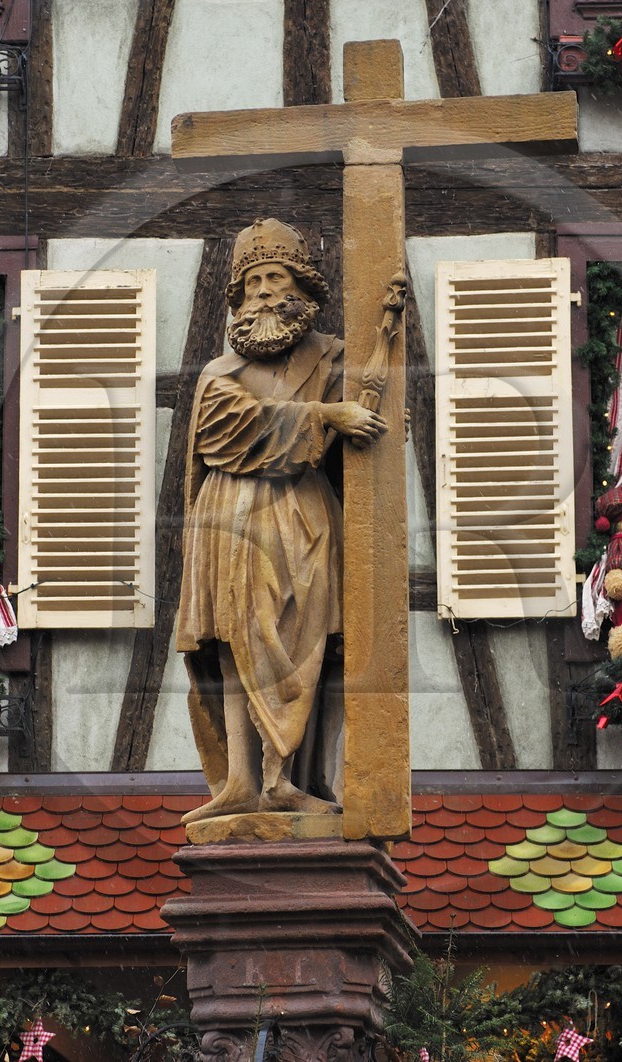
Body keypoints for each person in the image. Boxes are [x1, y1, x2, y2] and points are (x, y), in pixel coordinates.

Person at [177, 219, 387, 824]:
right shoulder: (218, 373)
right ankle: (241, 781)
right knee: (231, 644)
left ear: (302, 289)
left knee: (302, 641)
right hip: (226, 518)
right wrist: (326, 415)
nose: (265, 292)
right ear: (239, 298)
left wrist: (371, 376)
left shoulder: (332, 359)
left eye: (277, 278)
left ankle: (286, 778)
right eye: (253, 282)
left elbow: (373, 413)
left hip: (302, 518)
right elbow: (227, 430)